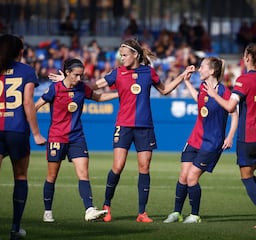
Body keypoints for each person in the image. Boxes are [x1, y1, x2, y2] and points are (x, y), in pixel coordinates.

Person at [49, 39, 193, 223]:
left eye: (124, 55)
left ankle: (142, 213)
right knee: (117, 166)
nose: (121, 58)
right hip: (123, 126)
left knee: (144, 168)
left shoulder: (148, 72)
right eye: (121, 55)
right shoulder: (117, 73)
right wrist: (67, 80)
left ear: (135, 55)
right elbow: (93, 86)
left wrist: (182, 76)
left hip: (145, 126)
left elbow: (164, 90)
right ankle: (107, 206)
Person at [204, 43, 256, 229]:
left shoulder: (244, 80)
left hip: (249, 136)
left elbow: (231, 107)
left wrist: (215, 95)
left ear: (247, 57)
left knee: (246, 177)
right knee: (250, 173)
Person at [0, 34, 46, 240]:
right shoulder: (26, 71)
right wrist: (36, 133)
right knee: (20, 177)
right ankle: (15, 228)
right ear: (19, 52)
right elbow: (28, 104)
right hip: (17, 130)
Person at [35, 58, 118, 223]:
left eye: (81, 75)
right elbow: (35, 106)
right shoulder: (55, 88)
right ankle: (48, 211)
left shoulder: (81, 88)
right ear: (67, 73)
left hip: (77, 137)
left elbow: (98, 97)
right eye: (76, 75)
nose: (79, 79)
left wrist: (120, 93)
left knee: (83, 174)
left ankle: (89, 209)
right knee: (52, 176)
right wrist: (32, 130)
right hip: (57, 137)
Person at [163, 57, 238, 224]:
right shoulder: (203, 87)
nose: (199, 69)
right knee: (183, 176)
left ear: (211, 71)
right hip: (194, 139)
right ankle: (176, 212)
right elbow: (199, 98)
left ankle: (195, 215)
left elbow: (234, 113)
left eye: (202, 66)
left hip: (211, 143)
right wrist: (187, 82)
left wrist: (230, 135)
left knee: (191, 178)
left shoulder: (224, 91)